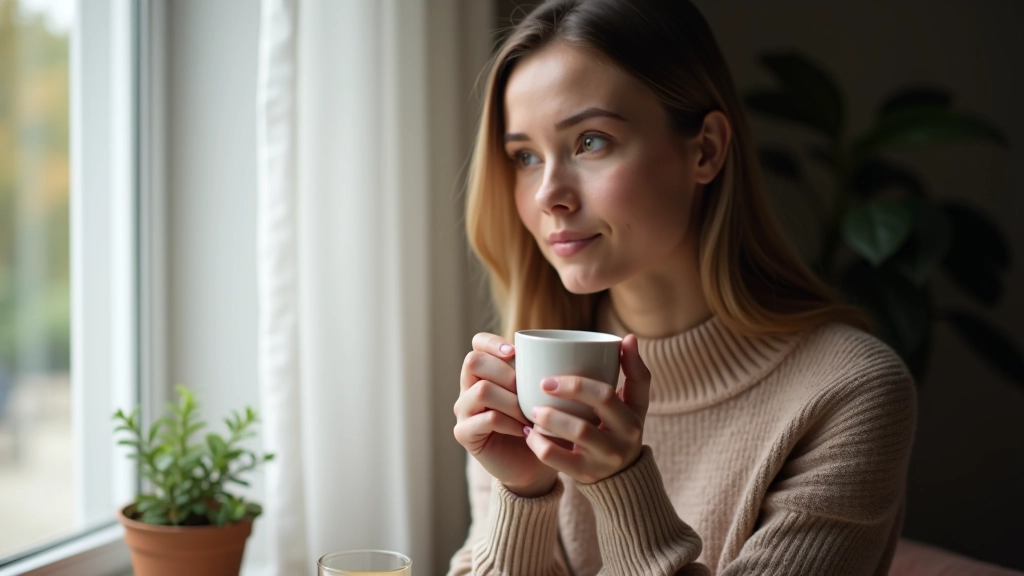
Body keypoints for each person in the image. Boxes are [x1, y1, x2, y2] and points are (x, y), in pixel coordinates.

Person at [449, 1, 916, 574]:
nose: (548, 195)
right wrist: (522, 495)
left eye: (590, 141)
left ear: (707, 149)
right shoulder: (525, 379)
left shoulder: (849, 391)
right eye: (524, 156)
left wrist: (623, 488)